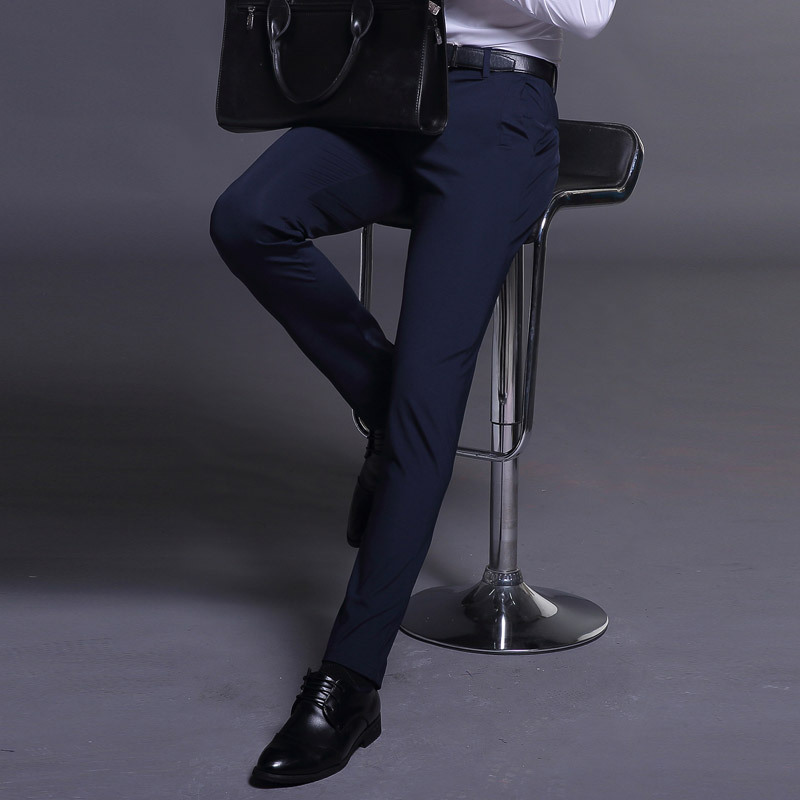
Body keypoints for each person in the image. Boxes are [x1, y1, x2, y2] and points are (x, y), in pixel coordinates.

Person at [209, 0, 616, 787]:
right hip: (385, 89)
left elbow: (587, 12)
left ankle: (349, 685)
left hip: (500, 109)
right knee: (248, 217)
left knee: (431, 396)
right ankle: (394, 414)